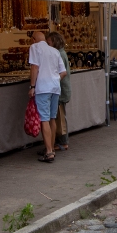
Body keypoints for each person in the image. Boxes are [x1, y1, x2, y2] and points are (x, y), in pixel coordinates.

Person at [28, 31, 67, 163]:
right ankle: (51, 148)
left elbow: (34, 67)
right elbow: (63, 72)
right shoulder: (55, 51)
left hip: (43, 87)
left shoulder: (35, 47)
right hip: (55, 88)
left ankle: (49, 152)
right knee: (52, 118)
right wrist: (55, 79)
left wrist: (32, 86)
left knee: (44, 119)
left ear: (34, 39)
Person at [47, 32, 71, 152]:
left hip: (60, 90)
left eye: (49, 42)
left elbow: (61, 72)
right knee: (58, 116)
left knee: (60, 116)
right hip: (61, 89)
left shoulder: (59, 54)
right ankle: (61, 140)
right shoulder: (60, 53)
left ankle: (63, 141)